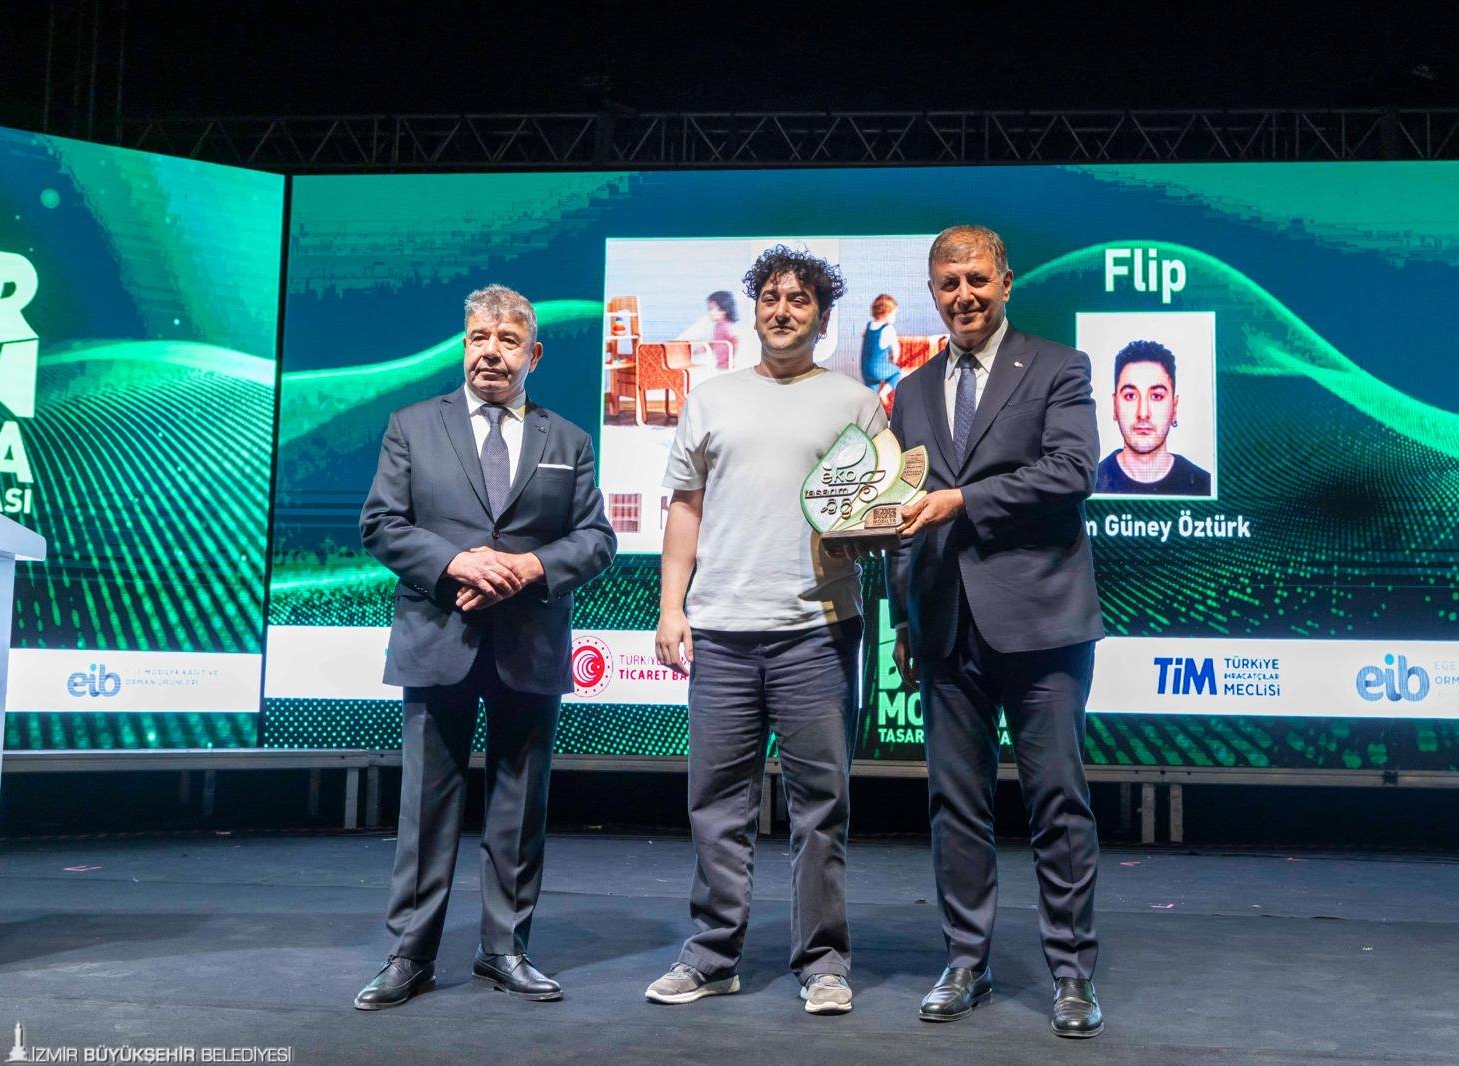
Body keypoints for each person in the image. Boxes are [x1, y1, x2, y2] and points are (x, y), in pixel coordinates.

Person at [355, 284, 617, 1010]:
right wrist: (456, 563)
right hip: (438, 636)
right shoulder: (412, 426)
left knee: (519, 806)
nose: (490, 352)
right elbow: (381, 524)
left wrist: (529, 568)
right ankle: (410, 955)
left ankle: (505, 950)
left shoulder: (569, 441)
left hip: (529, 641)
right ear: (463, 345)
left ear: (534, 354)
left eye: (507, 340)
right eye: (478, 337)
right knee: (425, 808)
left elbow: (597, 539)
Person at [647, 246, 886, 1016]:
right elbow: (684, 507)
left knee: (821, 808)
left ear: (823, 316)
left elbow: (876, 513)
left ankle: (823, 963)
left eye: (800, 299)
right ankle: (712, 956)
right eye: (771, 298)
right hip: (720, 632)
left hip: (818, 632)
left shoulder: (857, 404)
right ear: (755, 309)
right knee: (717, 806)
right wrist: (672, 607)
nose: (783, 310)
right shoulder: (710, 399)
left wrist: (867, 532)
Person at [887, 225, 1107, 1039]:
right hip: (945, 625)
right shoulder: (911, 391)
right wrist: (904, 615)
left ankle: (1073, 973)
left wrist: (966, 501)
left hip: (1043, 622)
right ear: (933, 293)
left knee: (1057, 802)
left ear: (1006, 282)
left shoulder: (1057, 367)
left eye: (977, 279)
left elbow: (1074, 470)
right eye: (948, 284)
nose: (964, 296)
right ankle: (965, 962)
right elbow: (902, 510)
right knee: (956, 807)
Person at [1095, 339, 1211, 495]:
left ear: (1174, 408)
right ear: (1115, 406)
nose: (1143, 413)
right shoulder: (1088, 485)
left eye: (1156, 396)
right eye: (1130, 396)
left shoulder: (1204, 486)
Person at [860, 292, 902, 396]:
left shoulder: (868, 326)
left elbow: (865, 337)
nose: (894, 318)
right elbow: (896, 350)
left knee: (872, 394)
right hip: (878, 369)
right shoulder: (888, 329)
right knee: (897, 373)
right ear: (887, 313)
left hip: (865, 369)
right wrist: (894, 360)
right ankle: (883, 394)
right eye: (894, 314)